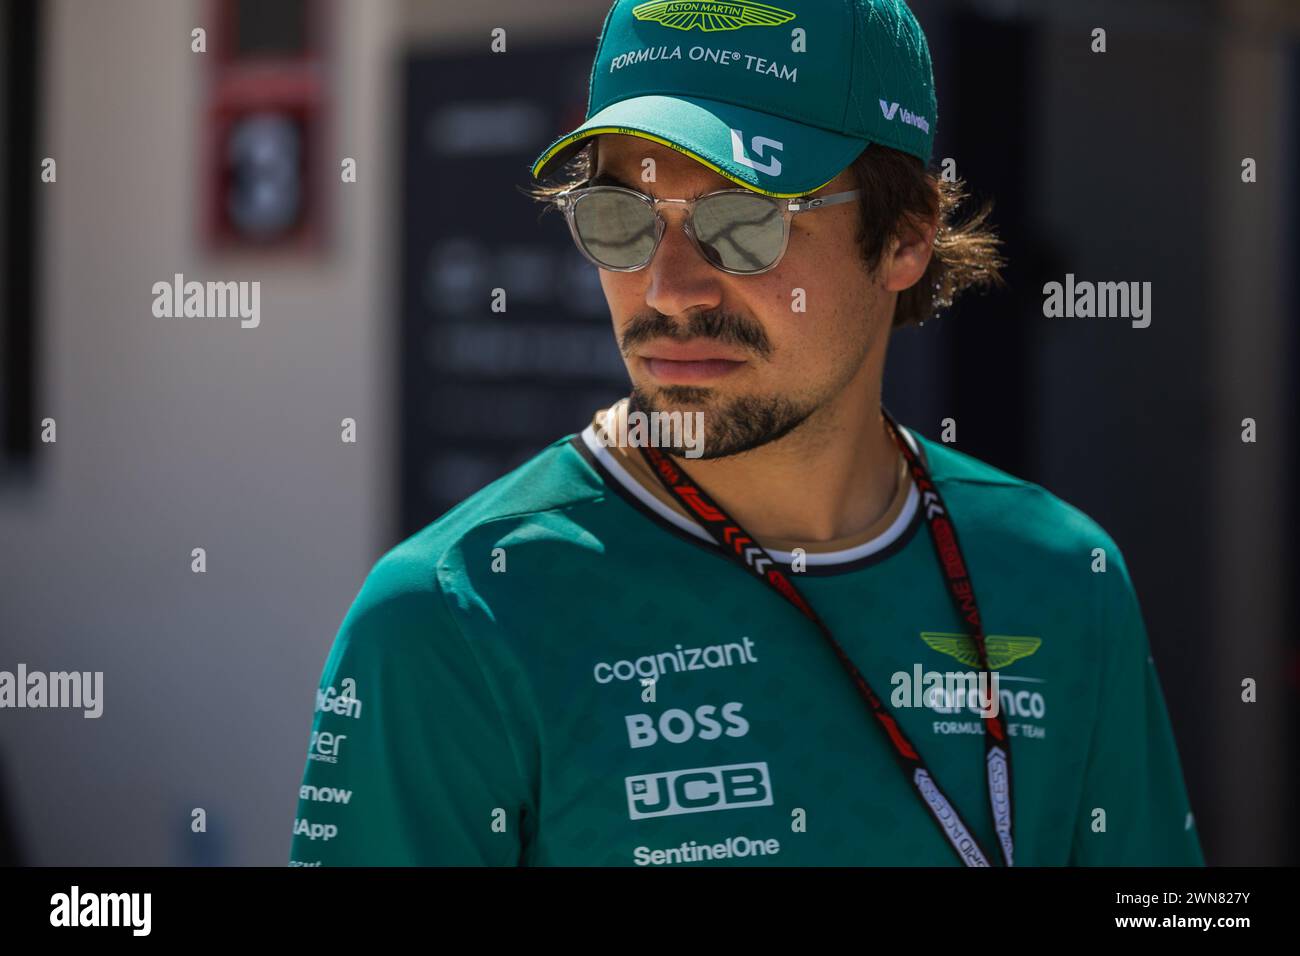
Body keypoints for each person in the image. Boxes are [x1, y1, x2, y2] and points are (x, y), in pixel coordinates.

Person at [289, 0, 1202, 866]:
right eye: (621, 219)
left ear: (907, 238)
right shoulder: (453, 614)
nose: (668, 289)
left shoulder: (1062, 578)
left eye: (747, 219)